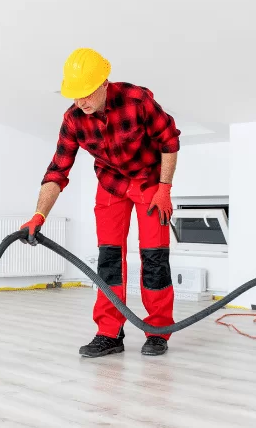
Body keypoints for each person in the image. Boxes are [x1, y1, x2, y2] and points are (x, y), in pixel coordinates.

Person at [19, 48, 181, 358]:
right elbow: (57, 170)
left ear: (104, 82)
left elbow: (170, 141)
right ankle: (109, 333)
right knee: (108, 259)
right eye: (74, 93)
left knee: (154, 257)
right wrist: (39, 214)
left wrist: (164, 188)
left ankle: (158, 330)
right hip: (111, 184)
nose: (79, 100)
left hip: (150, 181)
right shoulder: (73, 119)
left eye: (85, 92)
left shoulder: (138, 100)